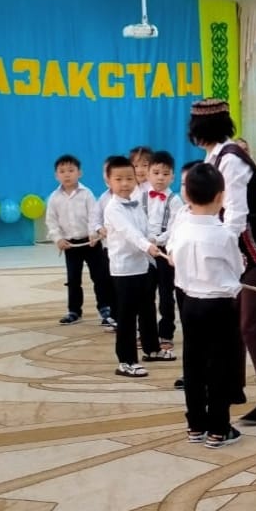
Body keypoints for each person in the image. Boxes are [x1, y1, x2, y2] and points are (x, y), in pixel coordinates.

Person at [188, 98, 256, 425]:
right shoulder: (213, 156)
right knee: (231, 324)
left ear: (201, 129)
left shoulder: (231, 159)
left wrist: (214, 249)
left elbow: (235, 217)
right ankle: (233, 387)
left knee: (253, 326)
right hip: (238, 255)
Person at [170, 162, 244, 448]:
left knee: (193, 364)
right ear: (220, 197)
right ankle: (218, 429)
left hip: (189, 303)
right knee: (220, 366)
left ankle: (195, 425)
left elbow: (172, 256)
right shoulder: (224, 234)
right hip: (219, 306)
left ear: (187, 195)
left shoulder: (181, 229)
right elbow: (237, 270)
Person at [103, 155, 165, 377]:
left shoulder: (136, 202)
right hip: (124, 269)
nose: (125, 183)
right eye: (118, 179)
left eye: (129, 178)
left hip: (142, 265)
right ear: (108, 181)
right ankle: (126, 361)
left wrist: (157, 240)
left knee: (148, 309)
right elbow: (129, 233)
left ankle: (152, 349)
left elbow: (145, 229)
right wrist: (148, 245)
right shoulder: (112, 208)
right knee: (127, 316)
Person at [45, 154, 114, 327]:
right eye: (62, 171)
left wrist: (93, 234)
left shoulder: (86, 194)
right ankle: (74, 311)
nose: (67, 175)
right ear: (56, 175)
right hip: (70, 245)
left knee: (100, 277)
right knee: (73, 279)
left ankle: (105, 307)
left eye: (71, 170)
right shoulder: (54, 198)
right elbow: (51, 221)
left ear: (79, 173)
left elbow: (94, 216)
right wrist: (58, 239)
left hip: (91, 243)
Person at [143, 150, 183, 355]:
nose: (160, 178)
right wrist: (145, 241)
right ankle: (146, 333)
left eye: (165, 174)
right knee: (145, 294)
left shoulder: (175, 201)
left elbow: (175, 227)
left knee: (167, 294)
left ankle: (166, 333)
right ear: (148, 174)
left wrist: (157, 240)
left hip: (165, 251)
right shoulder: (140, 197)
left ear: (173, 177)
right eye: (156, 173)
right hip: (144, 251)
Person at [167, 160, 199, 391]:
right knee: (189, 330)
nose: (186, 189)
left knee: (207, 334)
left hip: (205, 288)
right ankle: (191, 374)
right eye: (183, 184)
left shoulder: (218, 217)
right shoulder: (181, 212)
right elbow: (172, 238)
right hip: (182, 282)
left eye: (191, 183)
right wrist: (170, 251)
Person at [89, 156, 117, 331]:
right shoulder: (103, 198)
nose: (107, 175)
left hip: (128, 250)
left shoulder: (134, 195)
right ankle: (113, 315)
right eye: (105, 172)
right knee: (108, 282)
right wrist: (99, 229)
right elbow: (95, 219)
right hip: (108, 248)